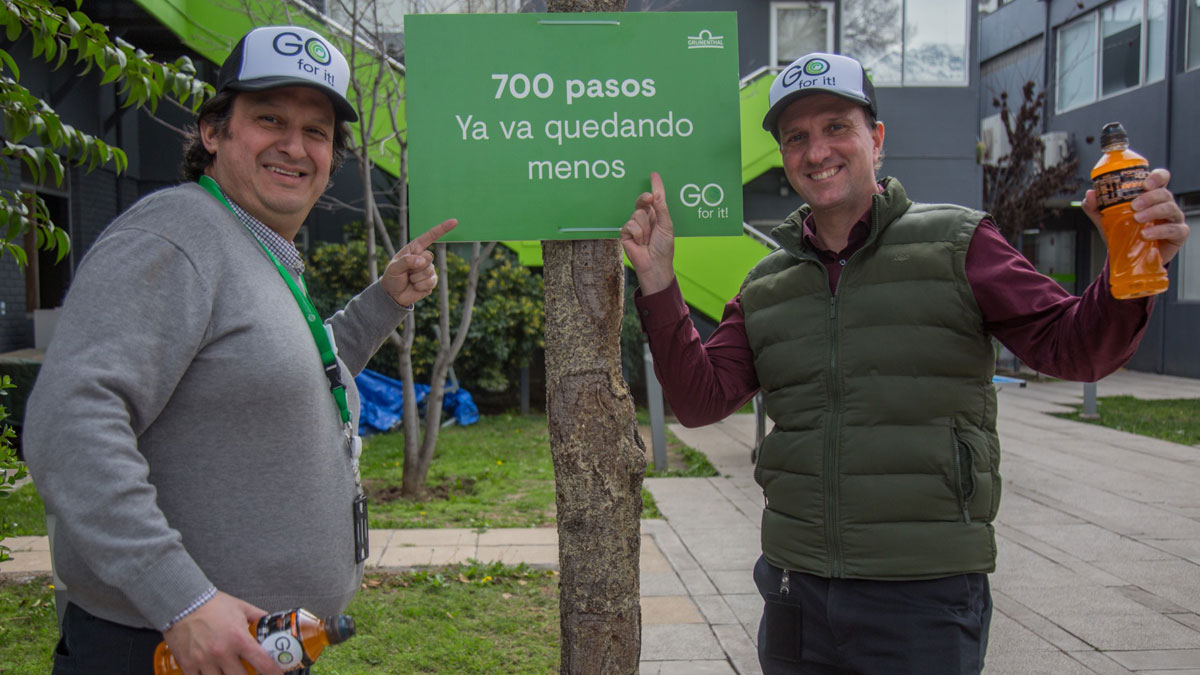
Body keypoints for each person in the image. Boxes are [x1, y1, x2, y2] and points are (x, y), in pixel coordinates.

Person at [620, 52, 1190, 674]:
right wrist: (657, 280)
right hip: (795, 592)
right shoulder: (765, 286)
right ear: (784, 157)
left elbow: (1076, 348)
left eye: (837, 127)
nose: (817, 152)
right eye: (797, 137)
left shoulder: (959, 244)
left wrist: (1131, 269)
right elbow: (701, 402)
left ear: (877, 138)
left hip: (925, 594)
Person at [23, 25, 456, 675]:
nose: (294, 145)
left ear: (333, 156)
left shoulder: (252, 248)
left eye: (317, 131)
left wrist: (385, 300)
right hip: (168, 647)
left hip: (255, 645)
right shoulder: (177, 236)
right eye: (269, 118)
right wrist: (183, 599)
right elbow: (67, 424)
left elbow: (302, 368)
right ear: (213, 131)